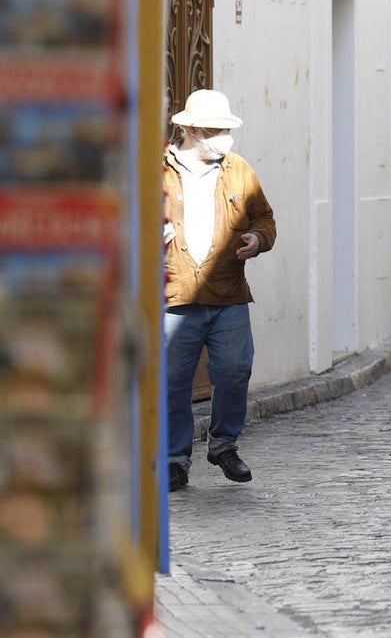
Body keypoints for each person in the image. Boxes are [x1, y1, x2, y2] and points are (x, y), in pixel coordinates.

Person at [163, 89, 277, 492]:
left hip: (227, 292)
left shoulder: (238, 170)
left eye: (227, 130)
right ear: (192, 129)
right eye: (216, 130)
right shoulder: (158, 170)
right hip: (174, 294)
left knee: (235, 370)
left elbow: (265, 218)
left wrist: (257, 240)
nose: (223, 138)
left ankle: (223, 443)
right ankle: (174, 458)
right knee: (172, 379)